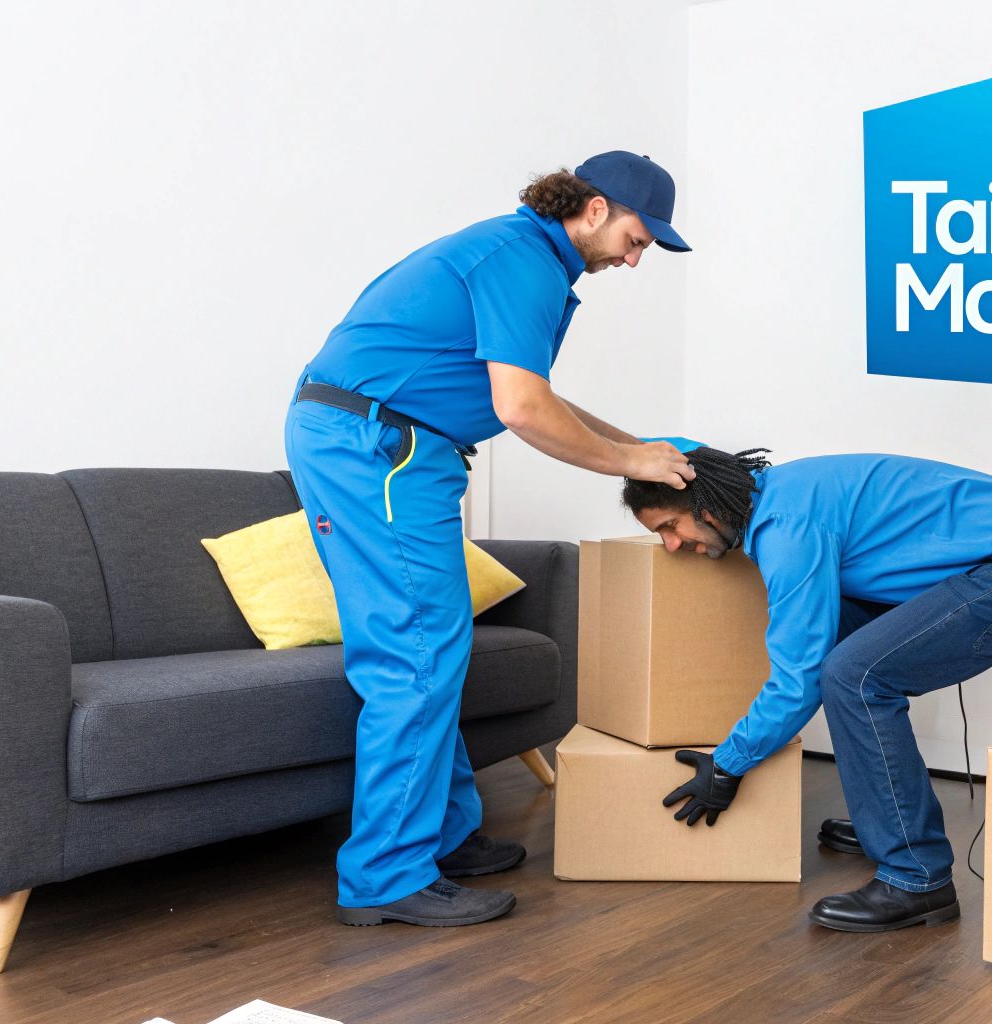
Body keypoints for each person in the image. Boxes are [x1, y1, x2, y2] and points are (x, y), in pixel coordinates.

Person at [286, 152, 695, 927]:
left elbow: (538, 395)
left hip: (384, 443)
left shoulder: (520, 252)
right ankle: (386, 876)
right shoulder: (523, 263)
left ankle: (441, 835)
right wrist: (628, 460)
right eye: (639, 240)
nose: (637, 260)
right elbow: (524, 410)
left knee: (435, 642)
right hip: (376, 447)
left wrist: (641, 447)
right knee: (416, 650)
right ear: (597, 208)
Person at [633, 444, 992, 932]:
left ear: (705, 507)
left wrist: (727, 764)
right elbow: (644, 447)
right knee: (841, 643)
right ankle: (889, 824)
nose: (670, 545)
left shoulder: (786, 527)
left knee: (854, 675)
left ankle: (918, 877)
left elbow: (799, 679)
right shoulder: (780, 496)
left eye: (668, 528)